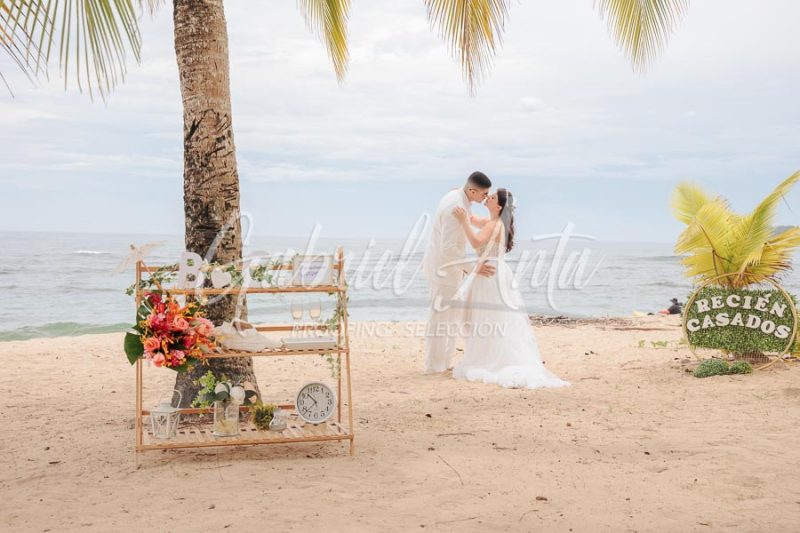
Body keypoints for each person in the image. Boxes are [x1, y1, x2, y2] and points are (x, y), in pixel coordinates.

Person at [450, 188, 569, 389]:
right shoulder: (491, 222)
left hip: (490, 275)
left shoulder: (495, 225)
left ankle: (491, 358)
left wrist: (463, 222)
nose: (488, 197)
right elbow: (471, 218)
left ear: (498, 206)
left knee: (488, 318)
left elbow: (476, 241)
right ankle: (487, 354)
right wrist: (460, 195)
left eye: (493, 197)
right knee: (487, 318)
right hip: (493, 272)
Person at [420, 171, 496, 374]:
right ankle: (433, 366)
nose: (485, 198)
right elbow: (449, 249)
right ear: (472, 190)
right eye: (483, 194)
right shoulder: (457, 205)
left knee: (450, 318)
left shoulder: (459, 196)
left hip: (449, 269)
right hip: (443, 270)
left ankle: (443, 363)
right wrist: (473, 267)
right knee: (440, 318)